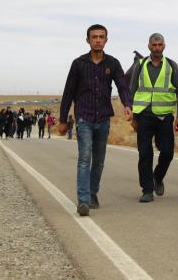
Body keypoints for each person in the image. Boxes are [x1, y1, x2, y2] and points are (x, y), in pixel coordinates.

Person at [57, 23, 133, 216]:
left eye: (101, 37)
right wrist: (63, 119)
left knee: (98, 161)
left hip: (103, 119)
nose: (98, 40)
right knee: (84, 158)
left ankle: (92, 193)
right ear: (88, 40)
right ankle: (83, 200)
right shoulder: (79, 64)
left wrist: (127, 104)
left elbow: (122, 86)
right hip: (84, 118)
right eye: (94, 37)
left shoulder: (113, 64)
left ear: (106, 40)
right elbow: (68, 93)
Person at [127, 33, 178, 203]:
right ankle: (147, 190)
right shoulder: (140, 65)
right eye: (154, 45)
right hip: (143, 116)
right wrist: (132, 115)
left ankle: (157, 177)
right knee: (145, 154)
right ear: (149, 46)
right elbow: (132, 90)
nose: (157, 48)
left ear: (164, 46)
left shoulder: (172, 66)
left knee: (167, 152)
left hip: (164, 117)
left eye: (160, 44)